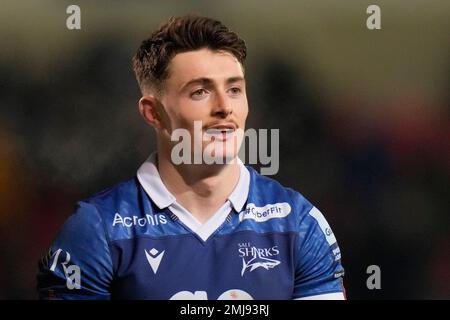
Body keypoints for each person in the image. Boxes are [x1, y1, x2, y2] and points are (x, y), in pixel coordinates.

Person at [37, 15, 345, 300]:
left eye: (235, 89)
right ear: (153, 112)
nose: (225, 107)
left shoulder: (299, 224)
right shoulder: (96, 231)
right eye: (200, 92)